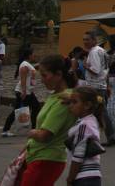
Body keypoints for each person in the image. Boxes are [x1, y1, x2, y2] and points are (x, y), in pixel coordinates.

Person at [20, 54, 77, 186]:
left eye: (45, 76)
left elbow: (44, 135)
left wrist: (31, 132)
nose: (42, 80)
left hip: (47, 158)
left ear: (58, 74)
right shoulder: (57, 96)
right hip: (40, 157)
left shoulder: (63, 100)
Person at [82, 31, 115, 147]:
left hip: (95, 87)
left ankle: (107, 136)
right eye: (84, 39)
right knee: (100, 112)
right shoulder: (102, 51)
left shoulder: (94, 52)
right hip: (101, 85)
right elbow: (106, 70)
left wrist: (86, 66)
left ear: (94, 40)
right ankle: (108, 136)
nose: (85, 42)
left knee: (96, 111)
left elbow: (96, 70)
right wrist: (106, 85)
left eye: (87, 39)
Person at [66, 86, 104, 186]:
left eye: (74, 102)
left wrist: (70, 179)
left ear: (87, 105)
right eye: (70, 102)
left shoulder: (84, 125)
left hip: (84, 177)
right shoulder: (90, 120)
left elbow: (78, 156)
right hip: (89, 177)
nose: (70, 106)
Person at [2, 47, 40, 137]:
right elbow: (23, 79)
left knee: (36, 107)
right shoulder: (24, 65)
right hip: (24, 92)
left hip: (28, 91)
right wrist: (23, 92)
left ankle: (34, 128)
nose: (35, 55)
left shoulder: (27, 64)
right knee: (17, 110)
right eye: (33, 54)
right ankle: (5, 130)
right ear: (29, 55)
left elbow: (29, 74)